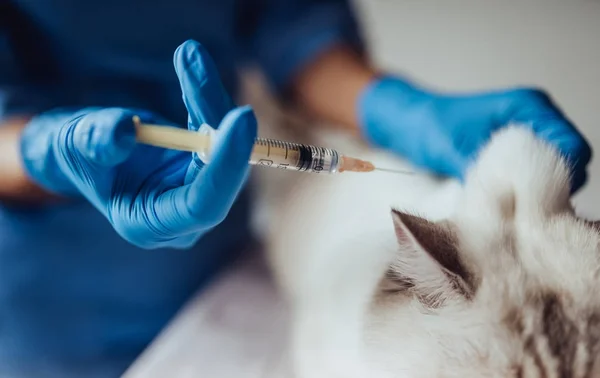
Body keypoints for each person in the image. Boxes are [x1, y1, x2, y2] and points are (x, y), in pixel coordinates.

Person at [0, 0, 592, 377]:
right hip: (47, 314)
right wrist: (41, 154)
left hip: (216, 266)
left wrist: (393, 107)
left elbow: (291, 23)